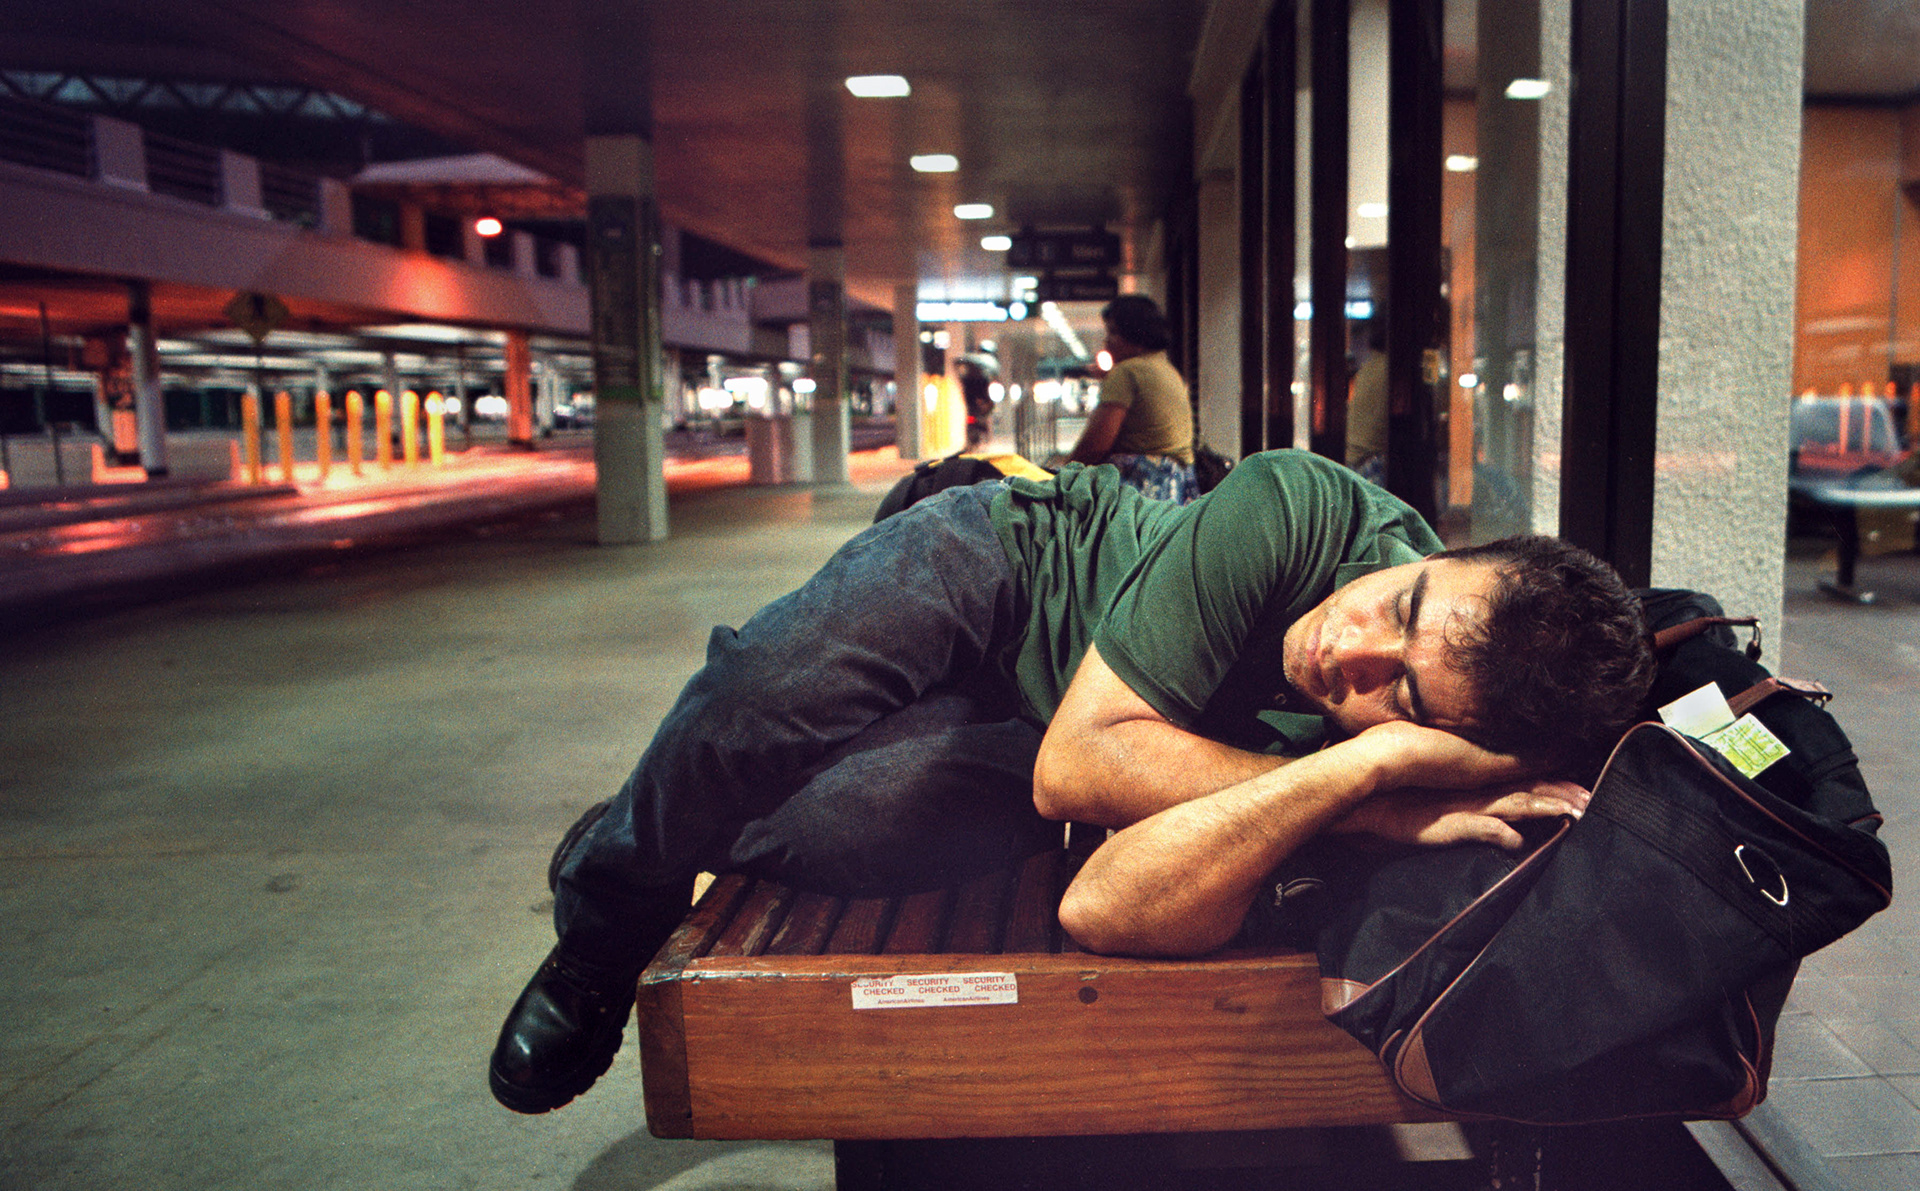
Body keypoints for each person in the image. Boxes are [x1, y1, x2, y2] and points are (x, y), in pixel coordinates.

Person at [487, 449, 1654, 1114]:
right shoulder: (1298, 505)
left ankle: (660, 807)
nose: (1344, 654)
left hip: (1044, 740)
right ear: (1442, 553)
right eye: (1396, 608)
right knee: (757, 696)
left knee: (850, 827)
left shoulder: (1417, 737)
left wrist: (1375, 764)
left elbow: (1096, 838)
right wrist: (1376, 793)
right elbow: (1083, 766)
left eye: (1397, 695)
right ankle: (609, 904)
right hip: (1007, 570)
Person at [1068, 295, 1197, 501]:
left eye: (1113, 332)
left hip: (1141, 487)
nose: (1106, 341)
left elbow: (1095, 446)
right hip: (1176, 487)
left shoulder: (1127, 372)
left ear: (1135, 335)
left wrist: (1062, 473)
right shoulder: (1166, 369)